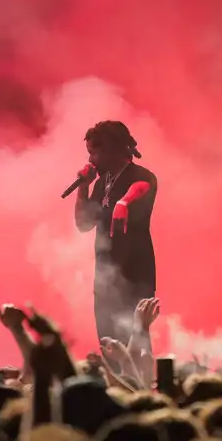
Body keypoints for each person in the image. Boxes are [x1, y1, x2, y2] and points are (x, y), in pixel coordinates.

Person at [73, 121, 157, 347]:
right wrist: (84, 186)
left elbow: (142, 186)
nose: (91, 160)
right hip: (105, 276)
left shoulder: (140, 175)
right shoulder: (102, 184)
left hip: (134, 274)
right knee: (108, 343)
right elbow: (83, 224)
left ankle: (138, 381)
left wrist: (124, 201)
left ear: (111, 149)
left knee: (134, 340)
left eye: (94, 153)